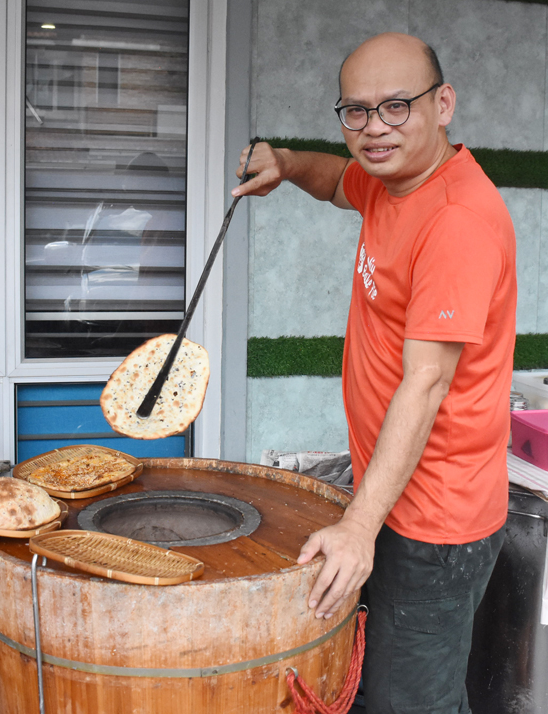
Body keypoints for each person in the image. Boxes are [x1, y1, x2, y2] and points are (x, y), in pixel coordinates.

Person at [233, 33, 516, 714]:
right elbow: (337, 182)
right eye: (355, 111)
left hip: (437, 525)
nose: (374, 129)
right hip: (392, 497)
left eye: (396, 106)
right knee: (365, 681)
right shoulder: (394, 181)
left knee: (410, 703)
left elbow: (426, 383)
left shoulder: (456, 222)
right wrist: (287, 160)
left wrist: (359, 528)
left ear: (442, 104)